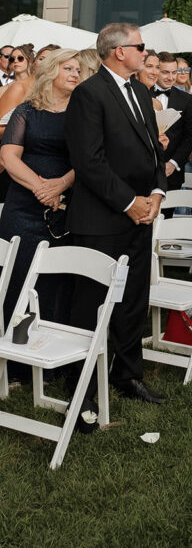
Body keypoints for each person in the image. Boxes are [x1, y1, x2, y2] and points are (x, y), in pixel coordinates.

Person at [64, 22, 166, 415]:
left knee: (133, 300)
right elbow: (89, 162)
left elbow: (154, 151)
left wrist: (155, 195)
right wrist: (129, 202)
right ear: (118, 51)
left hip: (141, 216)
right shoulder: (89, 95)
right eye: (140, 46)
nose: (146, 52)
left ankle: (127, 375)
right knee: (90, 304)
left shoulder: (141, 90)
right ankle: (81, 385)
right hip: (102, 218)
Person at [0, 49, 80, 330]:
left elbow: (90, 159)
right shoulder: (26, 109)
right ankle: (13, 352)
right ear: (52, 71)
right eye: (69, 68)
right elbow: (8, 157)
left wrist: (62, 184)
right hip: (22, 206)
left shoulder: (84, 114)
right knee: (16, 276)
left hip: (62, 209)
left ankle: (47, 358)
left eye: (78, 71)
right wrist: (42, 188)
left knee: (54, 280)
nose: (75, 74)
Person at [153, 52, 192, 191]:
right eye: (165, 72)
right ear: (156, 70)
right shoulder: (141, 94)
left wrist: (173, 163)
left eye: (174, 72)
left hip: (173, 173)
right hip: (143, 172)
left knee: (168, 213)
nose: (171, 77)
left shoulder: (186, 99)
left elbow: (191, 136)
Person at [0, 45, 36, 135]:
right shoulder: (3, 90)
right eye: (12, 59)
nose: (15, 61)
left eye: (20, 58)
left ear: (30, 61)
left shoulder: (39, 87)